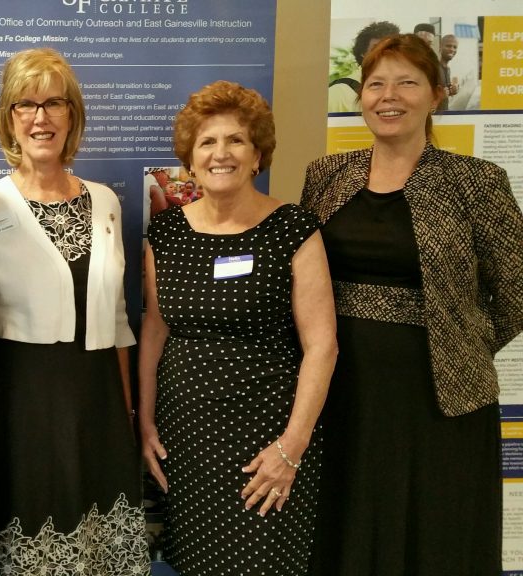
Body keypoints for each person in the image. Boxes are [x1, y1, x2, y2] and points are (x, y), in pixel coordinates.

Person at [301, 34, 523, 575]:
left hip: (439, 399)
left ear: (437, 95)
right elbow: (305, 283)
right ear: (361, 96)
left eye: (407, 82)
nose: (388, 95)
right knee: (347, 523)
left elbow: (517, 292)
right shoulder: (326, 176)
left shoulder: (476, 182)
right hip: (342, 390)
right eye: (376, 83)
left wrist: (459, 339)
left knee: (437, 534)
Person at [0, 48, 149, 574]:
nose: (40, 117)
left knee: (97, 546)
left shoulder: (106, 201)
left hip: (98, 400)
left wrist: (127, 415)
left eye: (54, 103)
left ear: (72, 116)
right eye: (25, 104)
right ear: (8, 118)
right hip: (19, 403)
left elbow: (118, 324)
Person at [139, 80, 338, 575]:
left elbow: (323, 346)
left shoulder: (293, 227)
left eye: (235, 141)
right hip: (187, 441)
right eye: (207, 142)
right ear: (190, 157)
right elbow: (155, 331)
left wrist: (291, 447)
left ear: (257, 155)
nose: (220, 153)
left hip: (266, 445)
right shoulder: (166, 233)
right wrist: (144, 422)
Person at [329, 21, 399, 113]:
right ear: (363, 53)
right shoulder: (339, 92)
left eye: (392, 48)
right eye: (377, 49)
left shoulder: (405, 89)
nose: (386, 54)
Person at [438, 33, 459, 110]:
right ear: (440, 47)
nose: (452, 49)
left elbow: (444, 92)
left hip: (444, 115)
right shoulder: (433, 68)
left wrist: (453, 91)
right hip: (433, 116)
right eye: (448, 46)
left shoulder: (447, 69)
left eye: (455, 47)